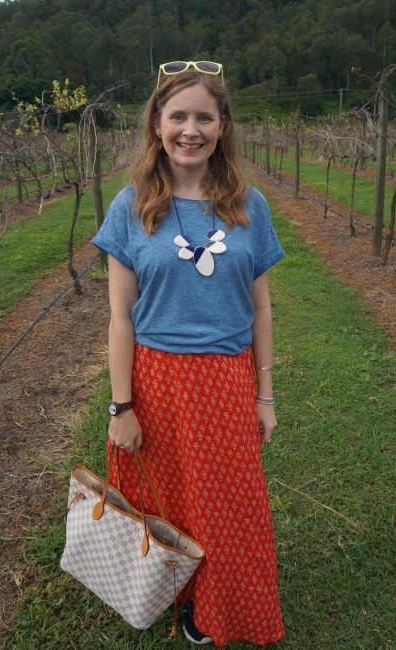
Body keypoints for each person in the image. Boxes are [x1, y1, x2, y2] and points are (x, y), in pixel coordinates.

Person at [92, 61, 285, 647]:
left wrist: (265, 395)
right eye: (178, 116)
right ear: (157, 124)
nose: (190, 129)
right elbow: (121, 317)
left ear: (223, 126)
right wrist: (121, 406)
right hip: (155, 382)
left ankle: (217, 609)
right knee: (167, 495)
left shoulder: (248, 205)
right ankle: (169, 586)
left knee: (228, 503)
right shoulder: (131, 207)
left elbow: (261, 311)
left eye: (205, 116)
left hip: (225, 382)